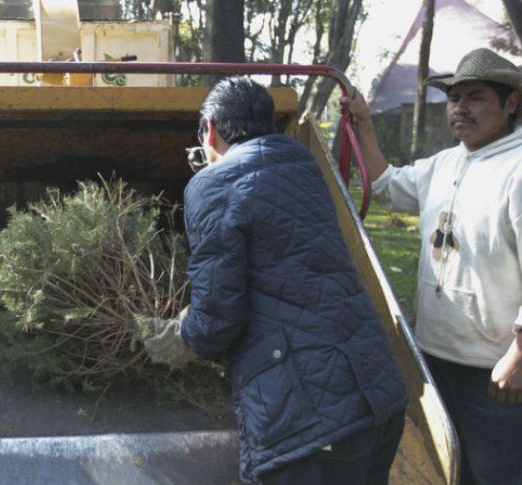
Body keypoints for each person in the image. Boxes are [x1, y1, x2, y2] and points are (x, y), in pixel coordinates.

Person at [138, 76, 409, 484]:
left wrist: (178, 337)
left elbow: (217, 321)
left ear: (209, 129)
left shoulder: (212, 184)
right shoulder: (306, 167)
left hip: (310, 426)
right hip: (380, 399)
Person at [343, 48, 522, 485]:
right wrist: (364, 124)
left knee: (503, 475)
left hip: (497, 368)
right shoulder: (447, 163)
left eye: (476, 97)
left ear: (510, 104)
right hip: (436, 357)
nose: (461, 108)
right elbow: (388, 186)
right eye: (454, 98)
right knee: (455, 472)